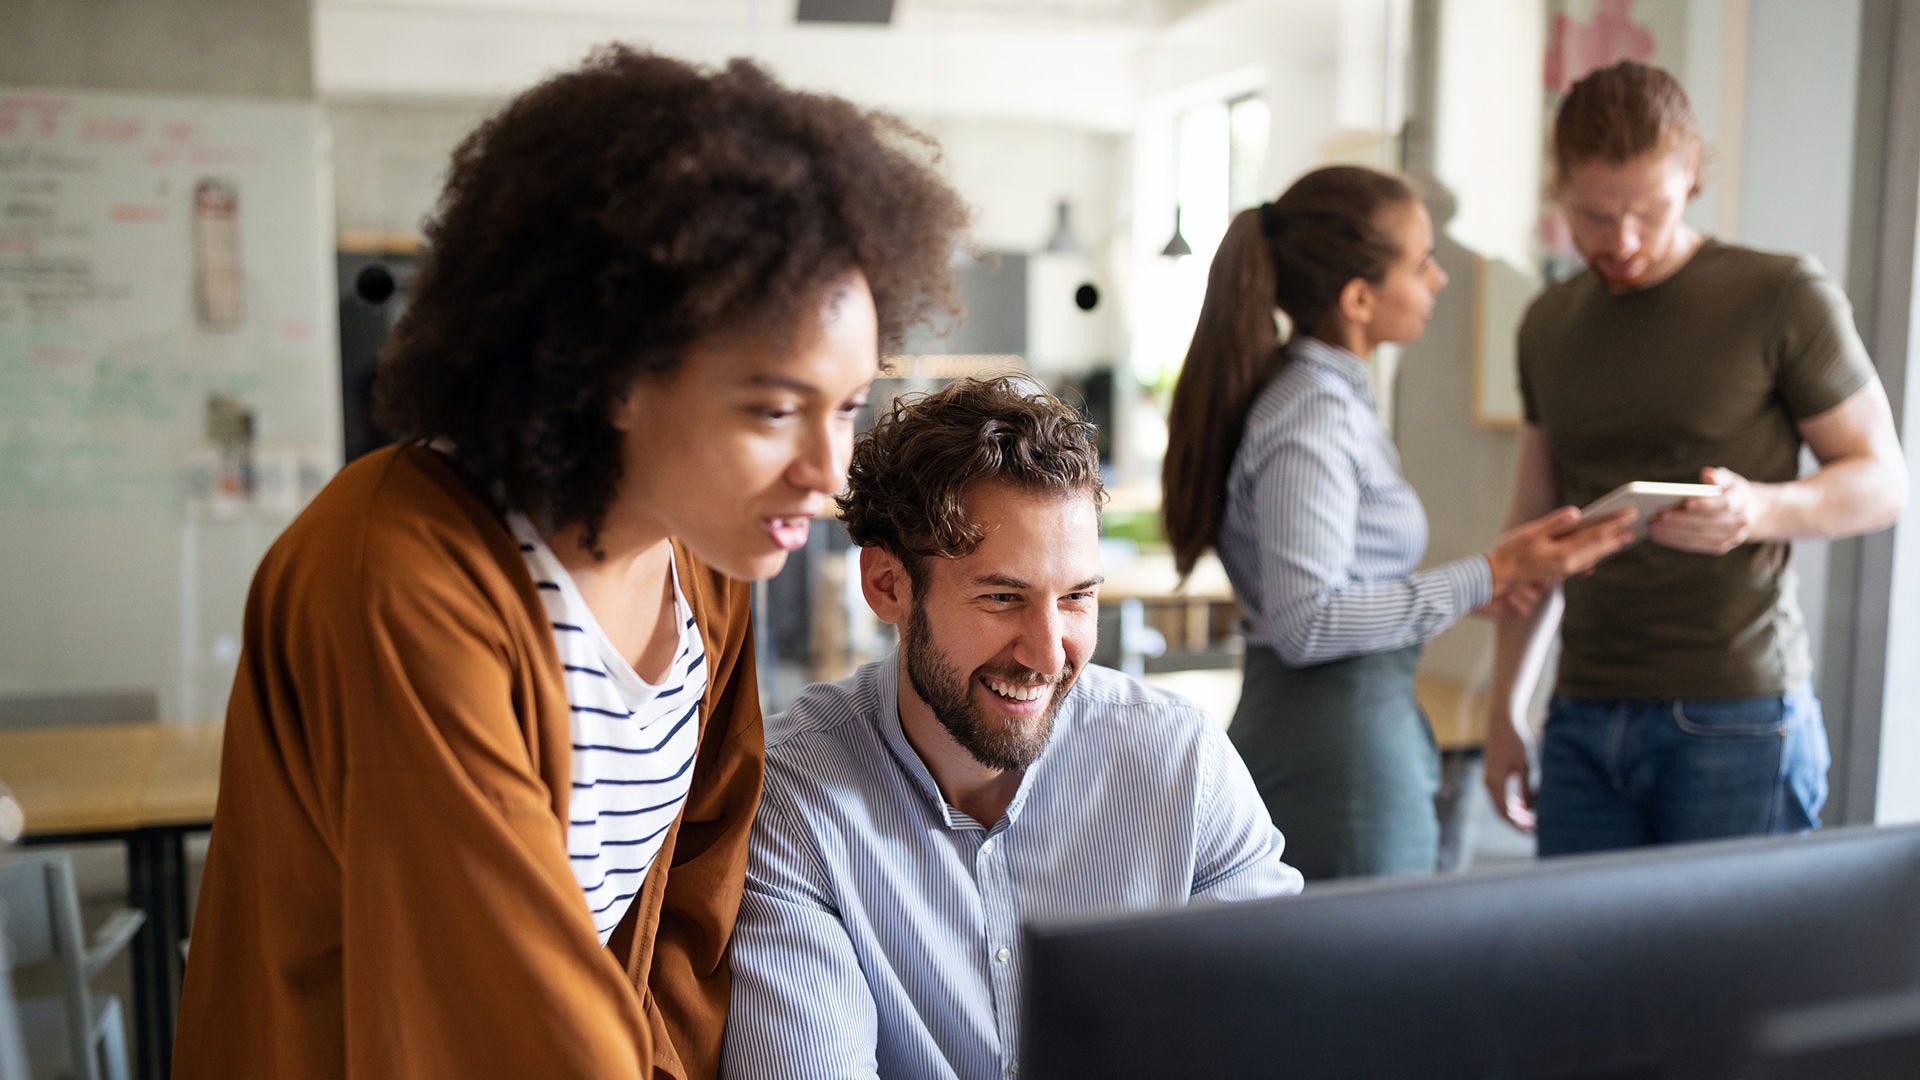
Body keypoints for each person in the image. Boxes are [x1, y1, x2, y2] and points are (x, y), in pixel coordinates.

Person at [172, 47, 969, 1079]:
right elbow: (488, 988)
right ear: (615, 375)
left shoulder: (709, 567)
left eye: (850, 405)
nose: (829, 471)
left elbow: (697, 892)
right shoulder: (401, 573)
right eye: (775, 409)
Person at [721, 377, 1303, 1080]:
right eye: (1003, 598)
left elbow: (1272, 1038)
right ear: (887, 586)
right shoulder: (795, 799)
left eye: (1077, 598)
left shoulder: (1184, 763)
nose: (1049, 654)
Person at [1160, 165, 1635, 881]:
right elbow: (1308, 621)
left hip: (1349, 731)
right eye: (1421, 264)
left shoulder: (1329, 401)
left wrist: (1477, 591)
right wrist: (1491, 571)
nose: (1440, 280)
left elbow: (1337, 588)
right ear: (1357, 298)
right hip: (1335, 755)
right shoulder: (1313, 417)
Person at [1481, 61, 1909, 854]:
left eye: (1648, 210)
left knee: (1734, 978)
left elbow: (1884, 483)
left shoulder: (1780, 294)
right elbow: (1537, 529)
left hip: (1738, 717)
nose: (1623, 241)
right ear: (1559, 191)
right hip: (1582, 713)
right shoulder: (1546, 321)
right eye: (1594, 216)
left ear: (1692, 174)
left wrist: (1761, 510)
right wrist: (1506, 705)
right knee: (1578, 973)